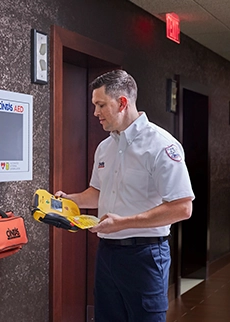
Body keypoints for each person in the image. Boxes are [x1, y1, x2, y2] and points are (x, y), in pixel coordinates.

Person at [55, 69, 194, 322]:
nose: (95, 112)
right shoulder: (105, 147)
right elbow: (98, 193)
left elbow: (182, 207)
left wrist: (123, 222)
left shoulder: (161, 145)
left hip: (146, 255)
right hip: (107, 253)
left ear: (122, 103)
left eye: (100, 105)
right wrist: (69, 200)